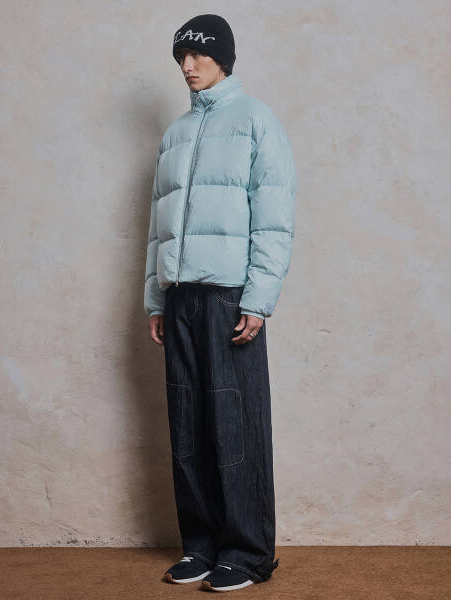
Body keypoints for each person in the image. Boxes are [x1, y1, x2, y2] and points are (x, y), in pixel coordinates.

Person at [144, 13, 296, 592]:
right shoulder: (176, 133)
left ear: (223, 58)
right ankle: (202, 546)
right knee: (188, 427)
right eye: (180, 58)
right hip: (180, 296)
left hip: (231, 295)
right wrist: (156, 297)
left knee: (237, 425)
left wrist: (259, 298)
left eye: (197, 56)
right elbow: (157, 226)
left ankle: (249, 553)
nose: (187, 66)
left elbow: (274, 218)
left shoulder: (256, 120)